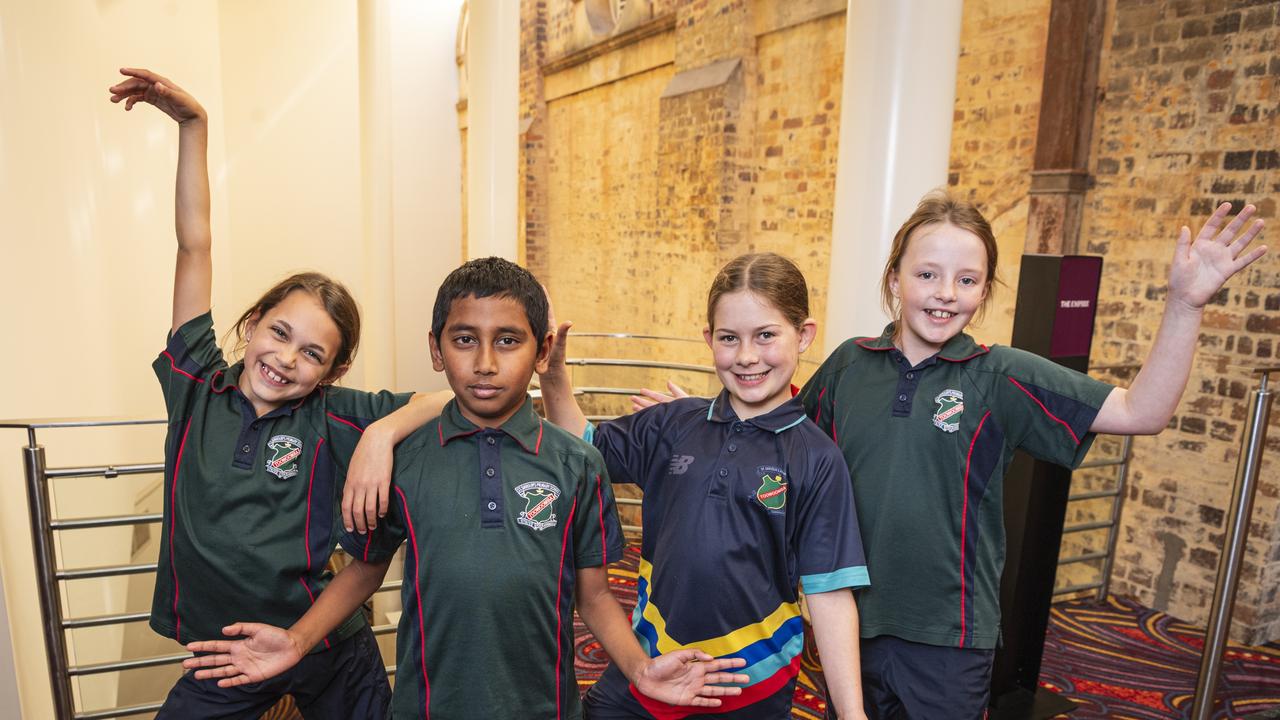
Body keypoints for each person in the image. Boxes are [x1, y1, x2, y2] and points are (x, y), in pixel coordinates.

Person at [643, 192, 1267, 719]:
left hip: (949, 639)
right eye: (926, 274)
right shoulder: (848, 366)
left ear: (984, 291)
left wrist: (1185, 305)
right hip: (844, 630)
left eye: (966, 280)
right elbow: (778, 429)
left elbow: (1142, 412)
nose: (945, 294)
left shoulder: (999, 376)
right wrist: (702, 419)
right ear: (894, 280)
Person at [180, 256, 751, 720]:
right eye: (463, 340)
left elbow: (596, 595)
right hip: (428, 707)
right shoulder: (406, 460)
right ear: (436, 349)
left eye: (507, 341)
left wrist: (638, 668)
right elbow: (364, 569)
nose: (483, 362)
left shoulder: (578, 463)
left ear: (542, 351)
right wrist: (299, 641)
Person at [110, 67, 446, 718]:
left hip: (325, 643)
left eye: (313, 353)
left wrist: (381, 433)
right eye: (280, 332)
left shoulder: (336, 417)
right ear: (252, 323)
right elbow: (193, 243)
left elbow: (446, 402)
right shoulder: (194, 382)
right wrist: (193, 126)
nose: (286, 358)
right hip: (228, 654)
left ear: (333, 371)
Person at [534, 253, 870, 719]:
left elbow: (830, 595)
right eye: (730, 339)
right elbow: (582, 446)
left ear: (804, 335)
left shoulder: (817, 459)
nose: (747, 356)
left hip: (747, 686)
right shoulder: (674, 423)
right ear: (710, 340)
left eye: (766, 335)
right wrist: (553, 375)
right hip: (651, 665)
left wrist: (853, 716)